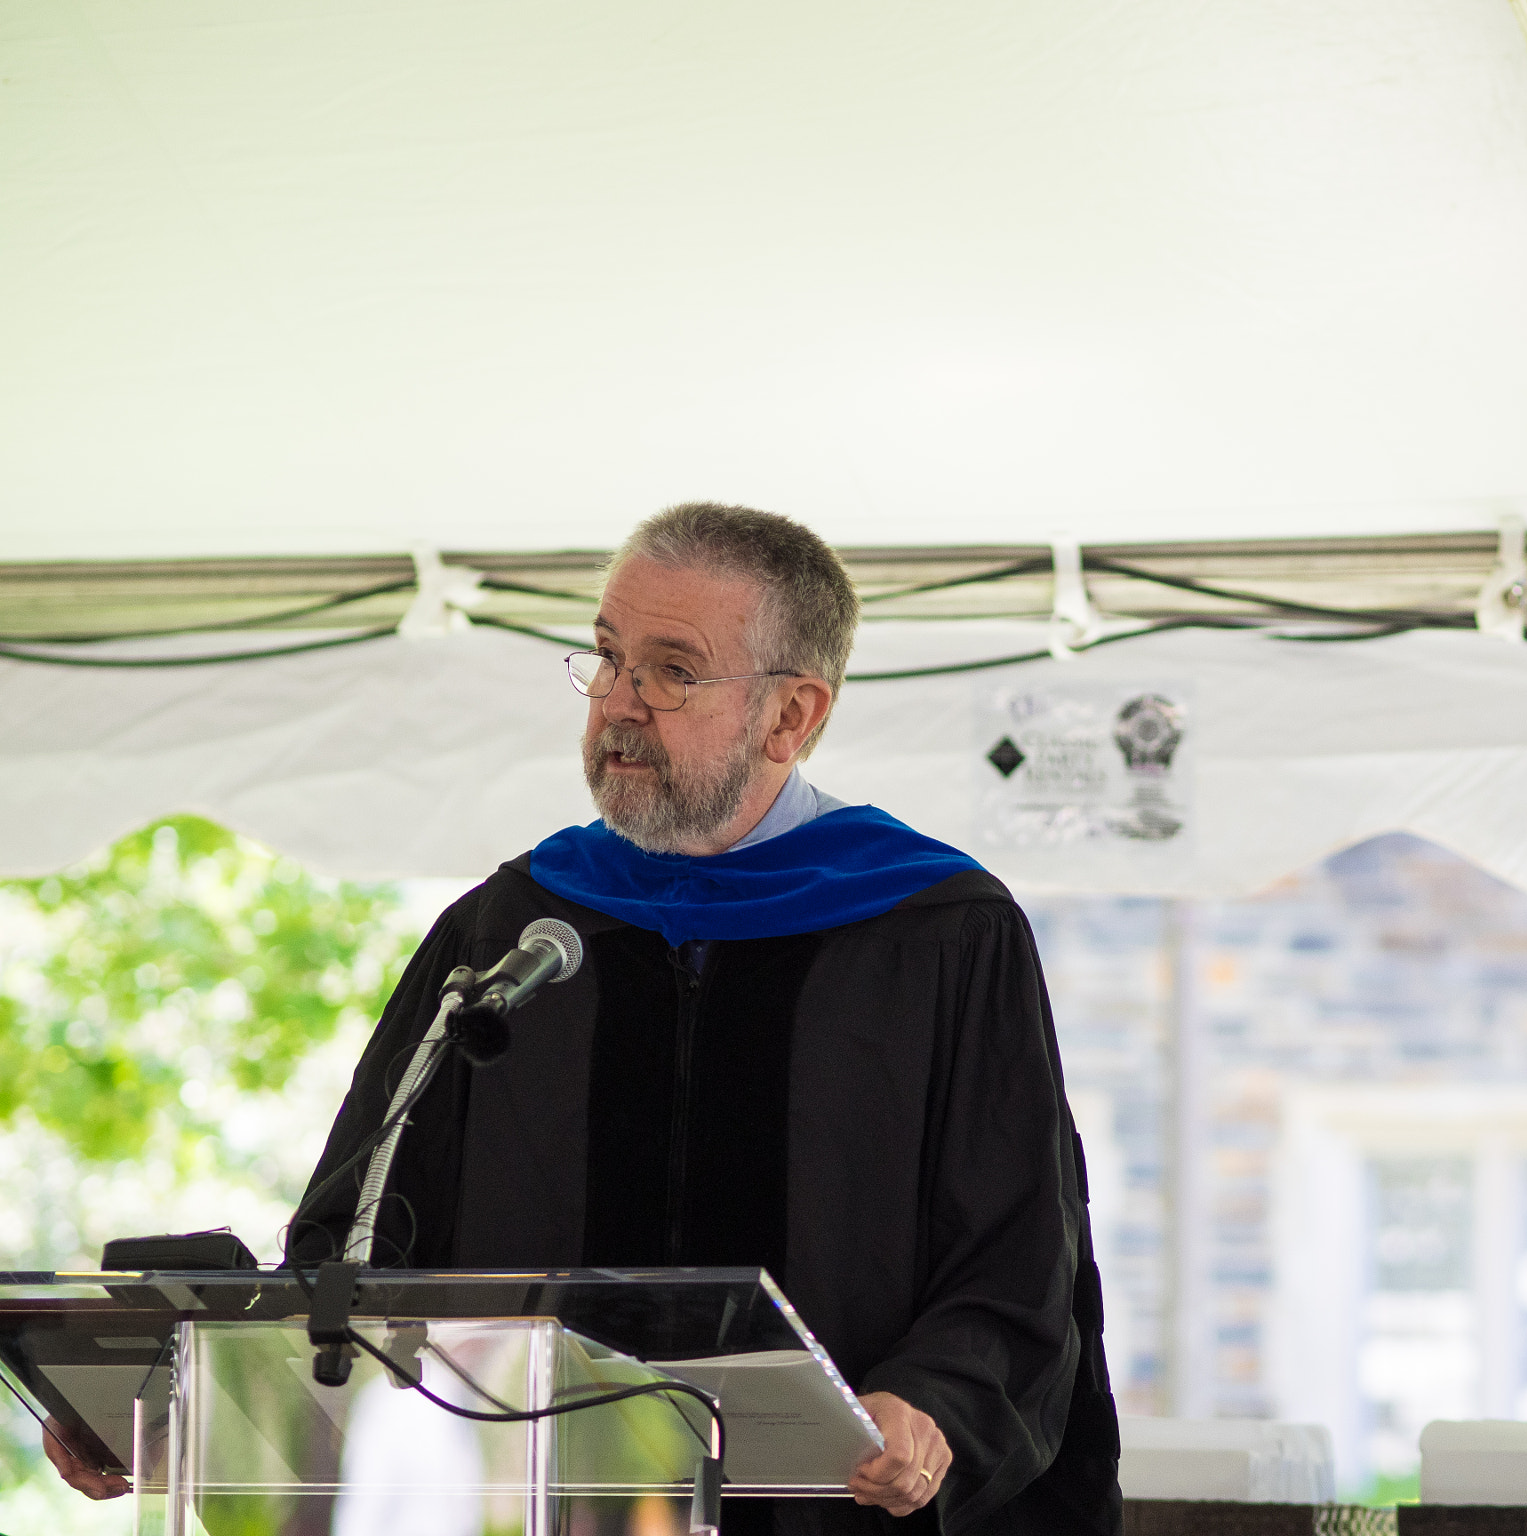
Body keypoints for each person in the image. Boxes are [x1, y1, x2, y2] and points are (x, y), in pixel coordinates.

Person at [283, 503, 1119, 1533]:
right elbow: (363, 1223)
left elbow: (1015, 1253)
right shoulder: (514, 925)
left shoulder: (939, 932)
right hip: (536, 1505)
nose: (619, 705)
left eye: (671, 670)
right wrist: (164, 1397)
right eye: (605, 657)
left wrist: (934, 1404)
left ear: (791, 717)